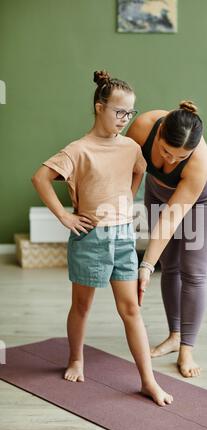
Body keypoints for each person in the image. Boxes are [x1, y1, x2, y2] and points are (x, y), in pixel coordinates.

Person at [31, 70, 173, 406]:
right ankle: (76, 358)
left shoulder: (130, 147)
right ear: (99, 107)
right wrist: (65, 216)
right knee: (82, 306)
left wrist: (126, 202)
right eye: (119, 112)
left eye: (130, 113)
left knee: (132, 311)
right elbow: (40, 178)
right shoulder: (79, 149)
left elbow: (138, 171)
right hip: (91, 238)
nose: (125, 119)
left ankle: (148, 380)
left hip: (123, 237)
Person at [127, 102, 207, 378]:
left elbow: (171, 219)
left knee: (193, 272)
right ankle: (174, 335)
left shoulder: (199, 159)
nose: (171, 161)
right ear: (158, 135)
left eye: (180, 158)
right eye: (166, 152)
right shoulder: (142, 127)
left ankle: (187, 347)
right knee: (168, 266)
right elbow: (127, 170)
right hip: (157, 195)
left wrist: (144, 265)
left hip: (203, 204)